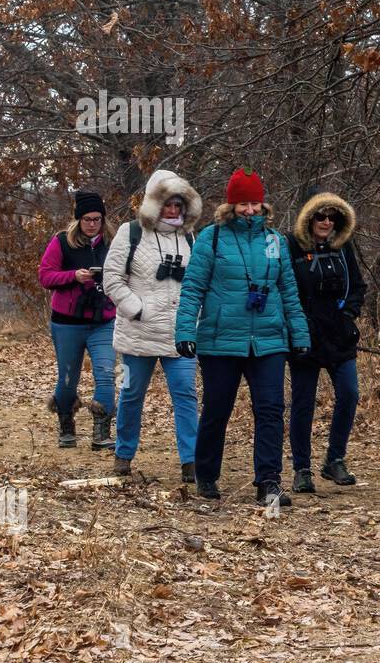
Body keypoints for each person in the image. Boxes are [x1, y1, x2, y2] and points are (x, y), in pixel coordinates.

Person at [175, 168, 310, 507]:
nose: (249, 210)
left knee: (270, 410)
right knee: (218, 408)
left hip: (268, 340)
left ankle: (269, 482)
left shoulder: (275, 240)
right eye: (242, 204)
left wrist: (300, 334)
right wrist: (184, 330)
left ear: (263, 205)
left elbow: (289, 290)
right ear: (230, 206)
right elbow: (193, 288)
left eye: (254, 203)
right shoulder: (212, 238)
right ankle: (206, 474)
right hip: (220, 340)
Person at [101, 170, 202, 480]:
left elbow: (196, 282)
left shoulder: (189, 237)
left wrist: (194, 317)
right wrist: (138, 309)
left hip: (179, 334)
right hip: (139, 333)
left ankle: (191, 460)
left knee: (185, 394)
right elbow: (112, 279)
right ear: (154, 204)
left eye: (178, 204)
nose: (173, 210)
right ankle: (124, 453)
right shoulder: (129, 233)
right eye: (167, 204)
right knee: (131, 394)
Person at [286, 188, 369, 493]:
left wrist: (349, 315)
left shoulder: (343, 247)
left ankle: (335, 459)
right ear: (309, 217)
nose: (325, 221)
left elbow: (358, 286)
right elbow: (285, 287)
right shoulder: (291, 246)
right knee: (303, 403)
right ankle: (301, 468)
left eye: (332, 216)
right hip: (305, 335)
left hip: (339, 335)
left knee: (349, 393)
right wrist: (297, 322)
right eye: (320, 216)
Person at [38, 190, 118, 451]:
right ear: (78, 220)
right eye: (87, 219)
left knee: (106, 374)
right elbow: (46, 277)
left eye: (97, 218)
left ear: (103, 219)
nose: (92, 224)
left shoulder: (114, 242)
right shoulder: (62, 241)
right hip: (67, 322)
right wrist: (74, 276)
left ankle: (101, 430)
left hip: (103, 320)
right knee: (68, 379)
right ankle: (66, 422)